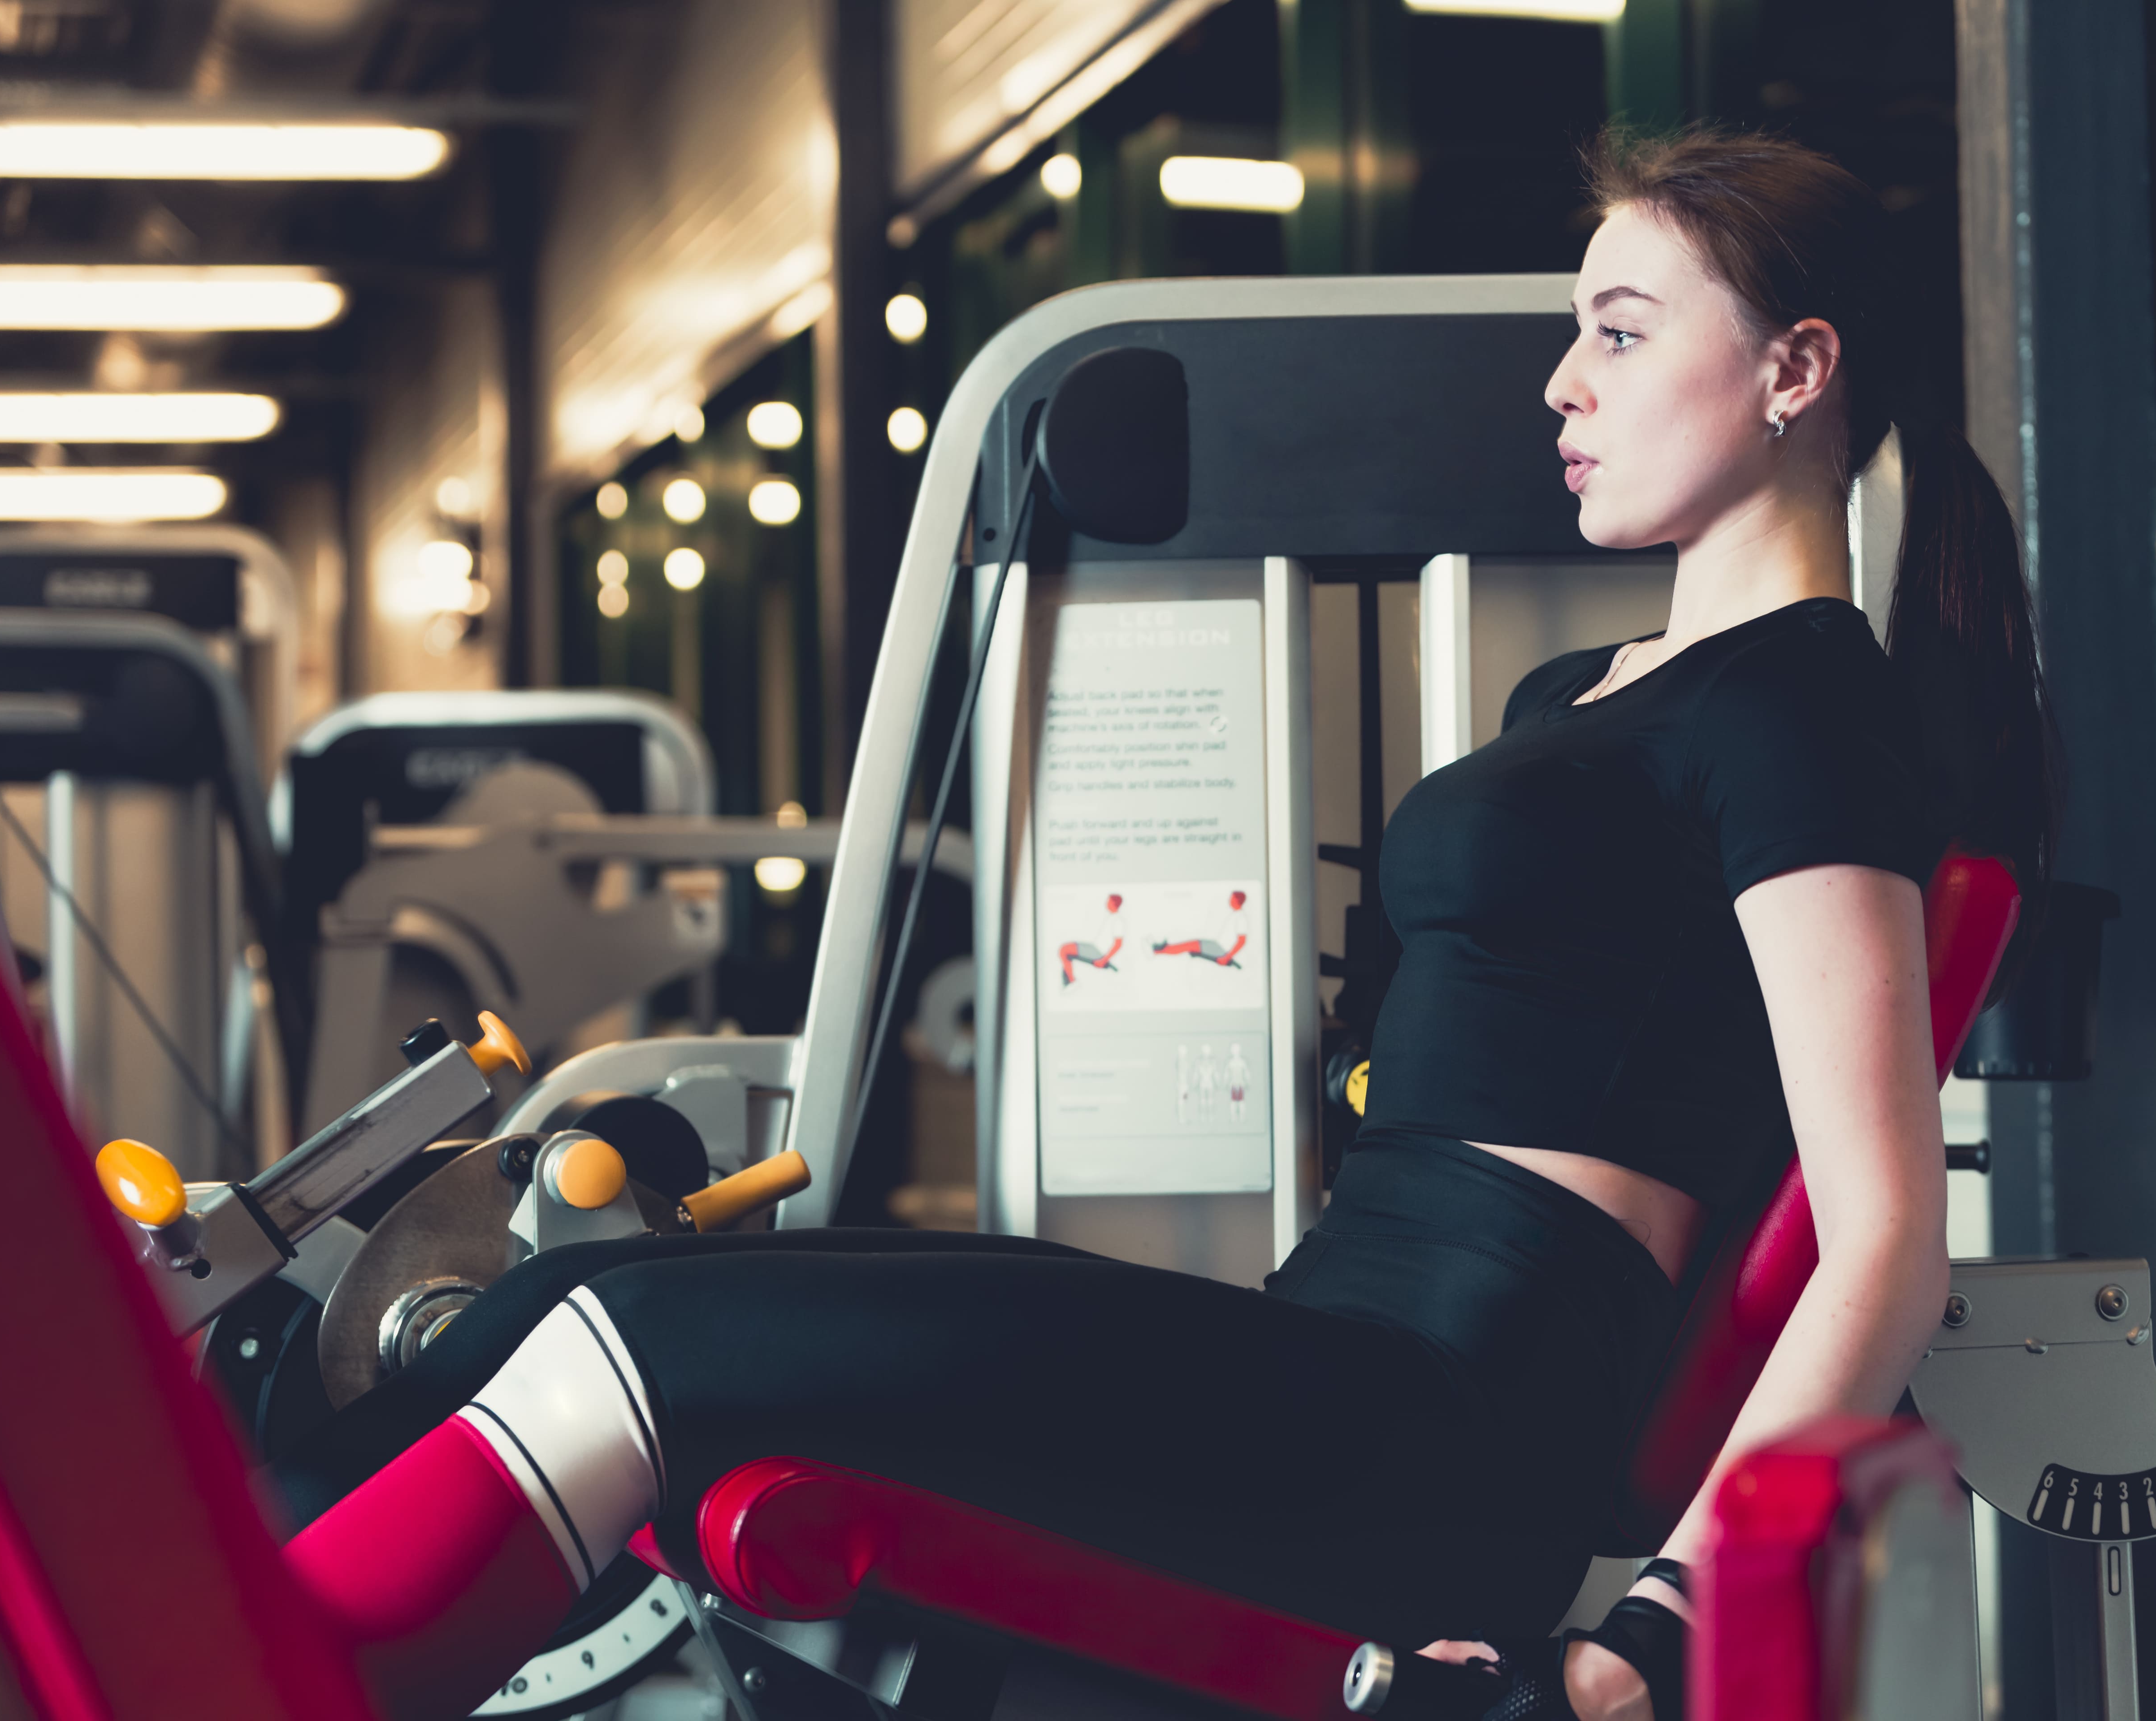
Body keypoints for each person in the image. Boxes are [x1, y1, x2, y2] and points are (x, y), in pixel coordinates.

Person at [275, 126, 2050, 1721]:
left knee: (632, 1361)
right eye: (1579, 327)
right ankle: (226, 1620)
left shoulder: (1803, 713)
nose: (1561, 382)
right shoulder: (1586, 692)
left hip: (1434, 1425)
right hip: (1328, 1343)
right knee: (608, 1288)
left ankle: (235, 1677)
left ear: (1798, 369)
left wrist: (1664, 1624)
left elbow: (1881, 1225)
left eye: (1620, 328)